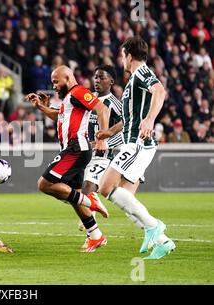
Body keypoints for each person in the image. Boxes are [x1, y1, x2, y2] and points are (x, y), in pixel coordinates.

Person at [97, 37, 175, 260]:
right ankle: (163, 243)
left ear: (129, 56)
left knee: (105, 187)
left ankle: (154, 226)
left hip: (138, 143)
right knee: (126, 199)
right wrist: (109, 132)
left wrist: (150, 119)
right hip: (132, 140)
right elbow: (130, 117)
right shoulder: (134, 80)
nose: (121, 59)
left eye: (122, 55)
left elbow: (159, 91)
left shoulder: (141, 72)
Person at [25, 65, 111, 253]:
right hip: (73, 149)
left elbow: (101, 108)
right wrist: (42, 107)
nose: (54, 85)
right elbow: (59, 116)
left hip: (76, 148)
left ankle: (91, 202)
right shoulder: (69, 99)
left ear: (67, 78)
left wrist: (102, 137)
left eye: (56, 81)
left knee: (44, 184)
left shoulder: (79, 91)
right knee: (73, 195)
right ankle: (95, 236)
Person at [77, 65, 123, 231]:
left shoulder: (114, 104)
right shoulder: (88, 100)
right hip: (84, 155)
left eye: (101, 77)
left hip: (103, 157)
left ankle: (93, 232)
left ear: (111, 81)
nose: (97, 81)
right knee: (71, 191)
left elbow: (127, 127)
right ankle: (93, 208)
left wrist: (105, 143)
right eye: (95, 77)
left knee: (88, 187)